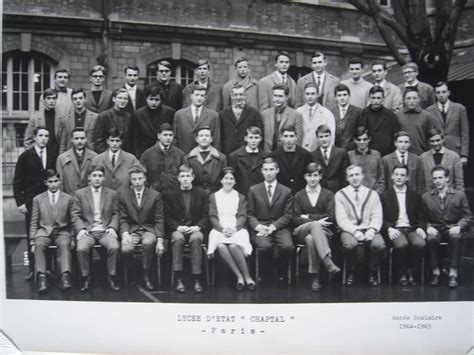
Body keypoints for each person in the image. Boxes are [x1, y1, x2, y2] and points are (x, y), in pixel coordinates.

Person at [13, 126, 56, 280]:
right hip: (31, 202)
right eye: (41, 135)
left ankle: (49, 268)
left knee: (48, 233)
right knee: (32, 234)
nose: (44, 138)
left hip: (49, 200)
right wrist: (20, 202)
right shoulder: (25, 156)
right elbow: (17, 180)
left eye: (47, 136)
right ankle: (33, 269)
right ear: (35, 137)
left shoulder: (52, 155)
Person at [71, 164, 120, 292]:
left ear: (104, 178)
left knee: (114, 246)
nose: (97, 178)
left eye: (100, 176)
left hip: (105, 231)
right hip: (88, 231)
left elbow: (116, 213)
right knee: (81, 248)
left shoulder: (111, 194)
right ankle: (86, 277)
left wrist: (112, 227)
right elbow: (75, 215)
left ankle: (111, 277)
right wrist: (81, 229)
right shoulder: (80, 194)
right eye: (94, 176)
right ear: (89, 177)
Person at [421, 166, 472, 288]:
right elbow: (422, 218)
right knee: (431, 238)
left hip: (453, 226)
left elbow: (467, 215)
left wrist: (459, 226)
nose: (437, 181)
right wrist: (427, 226)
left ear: (447, 179)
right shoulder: (426, 197)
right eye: (435, 178)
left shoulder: (459, 195)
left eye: (440, 177)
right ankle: (435, 272)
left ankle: (453, 273)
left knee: (455, 237)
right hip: (436, 227)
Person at [335, 165, 386, 286]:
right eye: (351, 175)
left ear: (362, 176)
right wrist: (355, 231)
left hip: (369, 228)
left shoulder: (372, 194)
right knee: (350, 244)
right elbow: (341, 219)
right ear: (347, 178)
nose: (354, 178)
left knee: (379, 245)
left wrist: (372, 230)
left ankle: (372, 271)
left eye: (357, 174)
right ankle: (351, 271)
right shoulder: (340, 195)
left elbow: (377, 216)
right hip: (349, 230)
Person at [292, 163, 341, 291]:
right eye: (309, 176)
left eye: (315, 175)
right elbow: (296, 218)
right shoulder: (298, 195)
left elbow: (330, 217)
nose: (312, 179)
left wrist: (307, 215)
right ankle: (328, 262)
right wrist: (317, 220)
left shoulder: (328, 194)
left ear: (320, 177)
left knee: (311, 239)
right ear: (305, 177)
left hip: (324, 232)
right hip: (301, 231)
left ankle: (315, 277)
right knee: (314, 226)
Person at [162, 164, 209, 293]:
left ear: (193, 177)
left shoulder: (201, 194)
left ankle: (196, 278)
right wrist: (177, 227)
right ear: (178, 178)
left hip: (195, 229)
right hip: (179, 230)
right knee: (177, 239)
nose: (186, 179)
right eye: (183, 176)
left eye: (188, 176)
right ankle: (178, 278)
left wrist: (198, 226)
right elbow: (167, 217)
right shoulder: (170, 195)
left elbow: (206, 215)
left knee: (196, 239)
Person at [247, 158, 294, 285]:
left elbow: (288, 215)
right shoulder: (254, 190)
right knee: (264, 246)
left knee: (288, 246)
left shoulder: (286, 191)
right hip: (261, 225)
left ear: (277, 170)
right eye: (266, 170)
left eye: (271, 169)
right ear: (262, 171)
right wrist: (258, 227)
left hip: (279, 226)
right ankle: (264, 273)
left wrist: (273, 227)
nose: (269, 173)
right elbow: (250, 214)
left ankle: (281, 271)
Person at [208, 167, 256, 290]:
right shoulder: (214, 196)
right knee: (220, 245)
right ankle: (240, 276)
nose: (228, 181)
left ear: (235, 182)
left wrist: (235, 228)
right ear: (221, 180)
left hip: (236, 227)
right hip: (219, 228)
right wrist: (222, 229)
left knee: (234, 245)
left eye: (231, 179)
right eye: (226, 178)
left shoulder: (240, 197)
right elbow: (213, 216)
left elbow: (242, 215)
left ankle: (247, 277)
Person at [118, 164, 165, 291]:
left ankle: (146, 275)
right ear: (130, 180)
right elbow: (123, 218)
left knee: (148, 243)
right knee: (125, 249)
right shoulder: (124, 195)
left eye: (140, 178)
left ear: (145, 178)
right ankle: (133, 273)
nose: (137, 182)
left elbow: (159, 219)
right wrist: (125, 234)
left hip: (149, 229)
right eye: (134, 179)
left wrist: (160, 239)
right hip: (132, 229)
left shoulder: (155, 195)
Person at [381, 165, 426, 286]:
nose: (399, 177)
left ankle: (412, 272)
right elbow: (381, 217)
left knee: (420, 243)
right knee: (401, 245)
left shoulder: (414, 195)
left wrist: (421, 227)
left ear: (407, 178)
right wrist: (389, 228)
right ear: (392, 176)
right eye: (396, 174)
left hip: (411, 229)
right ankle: (401, 273)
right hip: (395, 229)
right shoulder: (385, 196)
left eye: (402, 175)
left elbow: (421, 215)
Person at [29, 169, 74, 292]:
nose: (53, 184)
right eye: (50, 182)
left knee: (65, 244)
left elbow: (73, 221)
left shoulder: (68, 198)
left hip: (62, 231)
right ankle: (41, 277)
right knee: (39, 244)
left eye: (56, 181)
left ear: (60, 181)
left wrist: (73, 238)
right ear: (45, 183)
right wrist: (32, 241)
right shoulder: (38, 199)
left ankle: (65, 276)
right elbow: (33, 222)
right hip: (44, 231)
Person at [426, 81, 470, 163]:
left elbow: (465, 133)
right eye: (438, 92)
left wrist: (464, 155)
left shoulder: (459, 108)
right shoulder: (429, 110)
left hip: (456, 150)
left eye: (443, 92)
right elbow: (429, 133)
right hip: (437, 150)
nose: (441, 95)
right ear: (435, 94)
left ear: (448, 93)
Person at [174, 84, 221, 154]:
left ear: (205, 98)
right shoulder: (179, 115)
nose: (199, 98)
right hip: (184, 155)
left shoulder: (213, 115)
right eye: (197, 95)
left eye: (202, 96)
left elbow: (216, 140)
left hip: (205, 156)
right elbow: (175, 139)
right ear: (191, 96)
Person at [219, 83, 263, 156]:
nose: (238, 97)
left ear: (245, 95)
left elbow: (260, 136)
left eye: (241, 94)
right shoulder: (222, 114)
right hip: (228, 153)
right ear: (231, 96)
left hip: (247, 154)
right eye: (236, 95)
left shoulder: (254, 114)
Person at [140, 123, 185, 193]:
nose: (168, 138)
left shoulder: (180, 154)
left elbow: (184, 176)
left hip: (175, 194)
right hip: (154, 194)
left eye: (170, 135)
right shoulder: (147, 155)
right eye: (165, 135)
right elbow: (142, 176)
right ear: (159, 136)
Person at [133, 85, 175, 158]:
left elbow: (173, 134)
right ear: (146, 99)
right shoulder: (138, 114)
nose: (153, 102)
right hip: (144, 152)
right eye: (151, 99)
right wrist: (138, 155)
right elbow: (135, 138)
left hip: (165, 152)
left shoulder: (169, 112)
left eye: (156, 100)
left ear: (161, 100)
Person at [360, 85, 401, 157]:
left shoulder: (391, 115)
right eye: (373, 98)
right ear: (369, 98)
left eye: (379, 98)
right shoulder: (363, 114)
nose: (376, 101)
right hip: (368, 153)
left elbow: (396, 136)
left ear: (383, 99)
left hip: (386, 154)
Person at [183, 126, 227, 194]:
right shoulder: (188, 158)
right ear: (197, 139)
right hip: (195, 195)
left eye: (207, 136)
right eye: (201, 136)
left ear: (211, 139)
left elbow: (224, 179)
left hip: (215, 194)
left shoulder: (221, 158)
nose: (204, 138)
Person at [228, 126, 270, 195]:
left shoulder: (266, 156)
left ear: (260, 139)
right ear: (245, 138)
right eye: (251, 137)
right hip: (242, 195)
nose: (253, 141)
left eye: (256, 138)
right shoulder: (234, 156)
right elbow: (232, 179)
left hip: (260, 195)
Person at [24, 88, 64, 161]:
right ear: (44, 100)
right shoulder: (35, 118)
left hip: (56, 156)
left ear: (56, 100)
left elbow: (63, 141)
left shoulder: (62, 118)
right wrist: (34, 156)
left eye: (54, 98)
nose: (51, 101)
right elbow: (28, 141)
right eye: (48, 98)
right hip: (40, 157)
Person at [261, 83, 303, 152]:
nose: (277, 99)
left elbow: (298, 140)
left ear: (286, 97)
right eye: (275, 96)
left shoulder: (296, 115)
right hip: (268, 155)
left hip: (287, 155)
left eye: (280, 96)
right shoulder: (265, 114)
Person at [271, 125, 312, 193]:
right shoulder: (274, 155)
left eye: (291, 136)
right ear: (281, 138)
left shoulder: (306, 155)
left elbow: (309, 175)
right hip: (281, 193)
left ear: (296, 137)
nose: (289, 140)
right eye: (286, 136)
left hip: (300, 192)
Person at [420, 128, 464, 193]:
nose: (435, 143)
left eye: (438, 140)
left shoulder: (454, 156)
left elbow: (459, 182)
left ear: (443, 140)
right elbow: (421, 183)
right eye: (432, 141)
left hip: (449, 197)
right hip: (430, 198)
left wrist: (458, 199)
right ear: (429, 142)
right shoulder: (423, 158)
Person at [396, 87, 437, 155]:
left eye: (414, 98)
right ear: (404, 100)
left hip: (421, 154)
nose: (412, 101)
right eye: (408, 98)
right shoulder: (398, 116)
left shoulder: (427, 116)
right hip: (403, 154)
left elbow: (431, 138)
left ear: (419, 99)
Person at [56, 128, 98, 195]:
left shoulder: (94, 157)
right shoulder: (62, 158)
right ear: (71, 140)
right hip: (70, 197)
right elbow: (60, 183)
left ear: (86, 139)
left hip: (89, 198)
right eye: (76, 138)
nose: (79, 141)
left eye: (82, 138)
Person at [296, 82, 335, 152]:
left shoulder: (327, 114)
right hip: (301, 153)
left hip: (318, 153)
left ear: (318, 94)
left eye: (312, 94)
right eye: (307, 94)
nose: (310, 96)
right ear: (304, 95)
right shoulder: (297, 112)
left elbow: (331, 138)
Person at [94, 88, 134, 153]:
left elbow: (130, 140)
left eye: (125, 99)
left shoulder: (129, 117)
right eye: (120, 98)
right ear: (114, 99)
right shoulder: (104, 116)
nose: (122, 101)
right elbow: (98, 140)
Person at [311, 125, 349, 193]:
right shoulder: (312, 155)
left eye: (326, 136)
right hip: (320, 193)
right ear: (317, 138)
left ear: (331, 136)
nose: (324, 139)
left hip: (338, 192)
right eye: (321, 137)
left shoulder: (341, 153)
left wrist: (342, 193)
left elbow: (345, 176)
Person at [59, 88, 99, 153]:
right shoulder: (66, 119)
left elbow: (97, 140)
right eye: (75, 99)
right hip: (71, 155)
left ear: (85, 99)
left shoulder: (95, 117)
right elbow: (63, 143)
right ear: (72, 101)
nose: (78, 101)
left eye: (80, 98)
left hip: (89, 155)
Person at [347, 127, 385, 194]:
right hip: (355, 194)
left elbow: (381, 178)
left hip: (374, 193)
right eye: (359, 139)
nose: (362, 142)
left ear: (369, 139)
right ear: (354, 140)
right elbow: (347, 178)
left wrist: (377, 193)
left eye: (365, 139)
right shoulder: (349, 155)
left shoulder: (376, 155)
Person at [330, 83, 363, 150]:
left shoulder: (358, 111)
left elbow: (360, 133)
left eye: (345, 95)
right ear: (335, 97)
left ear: (349, 96)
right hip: (335, 150)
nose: (342, 98)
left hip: (352, 150)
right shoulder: (330, 112)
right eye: (339, 95)